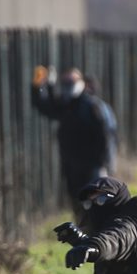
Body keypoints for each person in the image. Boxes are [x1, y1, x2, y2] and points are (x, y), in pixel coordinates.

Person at [32, 66, 117, 205]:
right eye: (65, 83)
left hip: (92, 165)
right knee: (78, 204)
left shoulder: (93, 107)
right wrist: (38, 87)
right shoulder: (67, 106)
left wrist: (103, 163)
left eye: (71, 82)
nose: (68, 86)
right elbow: (46, 106)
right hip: (72, 165)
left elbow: (105, 137)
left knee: (97, 205)